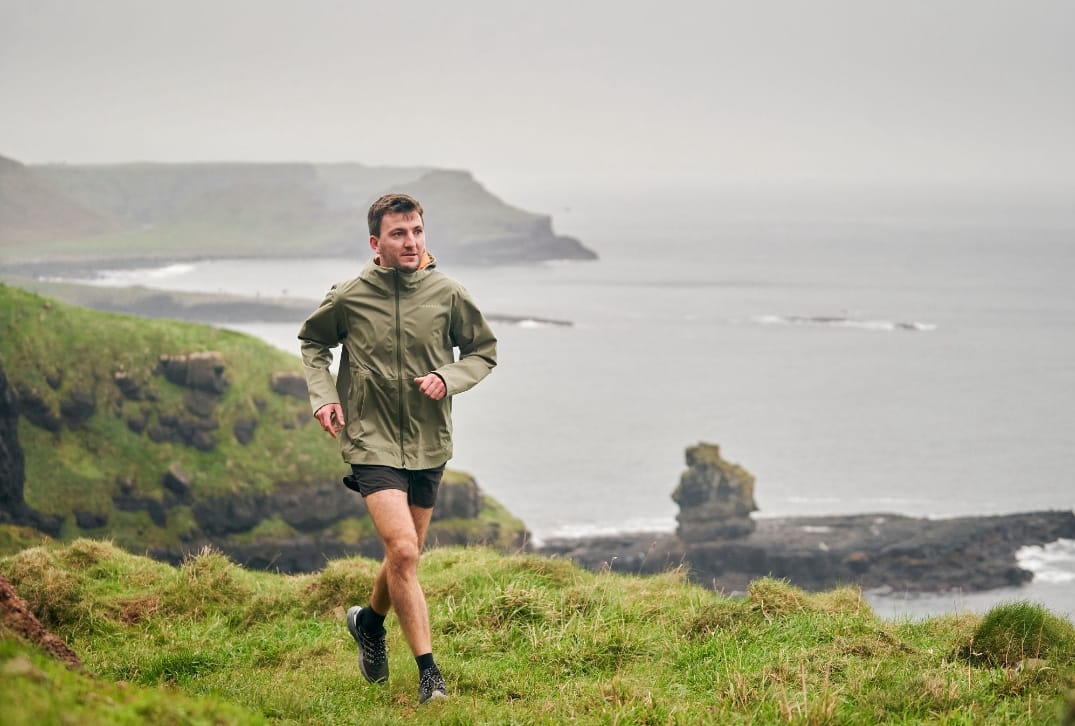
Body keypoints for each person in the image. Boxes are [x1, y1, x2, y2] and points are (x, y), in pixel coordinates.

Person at [298, 193, 497, 704]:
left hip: (430, 443)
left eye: (417, 232)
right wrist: (324, 398)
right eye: (398, 234)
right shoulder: (350, 295)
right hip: (370, 440)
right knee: (405, 550)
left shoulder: (449, 293)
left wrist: (447, 378)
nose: (411, 243)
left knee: (402, 555)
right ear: (376, 243)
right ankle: (430, 674)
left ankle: (368, 623)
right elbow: (313, 343)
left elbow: (483, 352)